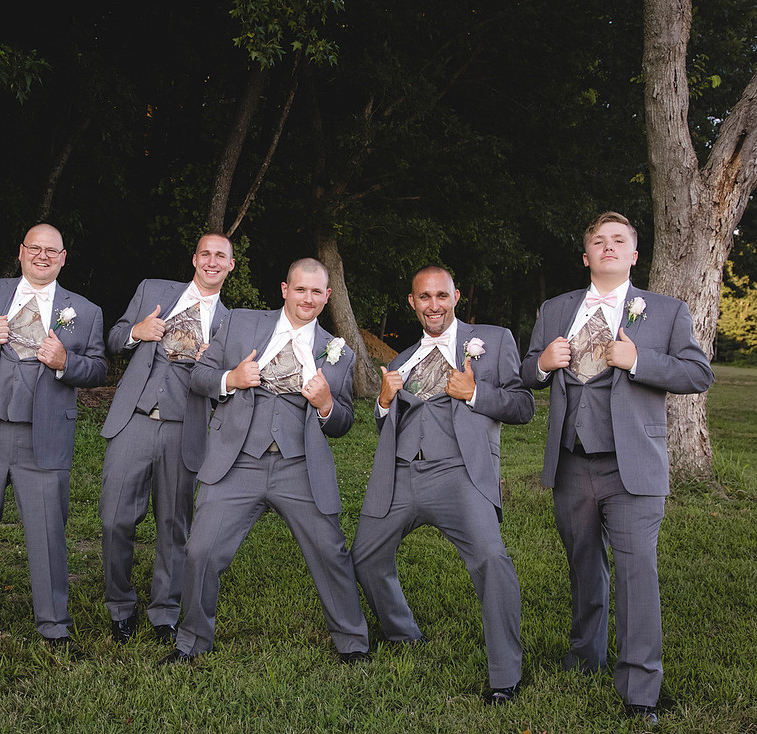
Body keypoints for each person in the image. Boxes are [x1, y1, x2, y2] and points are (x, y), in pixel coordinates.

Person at [520, 212, 713, 725]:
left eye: (619, 240)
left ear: (633, 254)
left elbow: (698, 373)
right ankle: (586, 656)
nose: (608, 246)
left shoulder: (666, 311)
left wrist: (638, 360)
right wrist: (542, 364)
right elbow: (527, 371)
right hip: (571, 462)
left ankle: (640, 689)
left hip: (633, 466)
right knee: (584, 565)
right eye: (599, 241)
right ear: (586, 256)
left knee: (635, 575)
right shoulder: (556, 309)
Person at [160, 257, 370, 664]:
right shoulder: (241, 322)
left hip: (299, 466)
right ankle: (191, 642)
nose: (307, 298)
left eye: (316, 291)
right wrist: (231, 379)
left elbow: (343, 421)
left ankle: (353, 643)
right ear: (285, 290)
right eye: (300, 289)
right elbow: (200, 376)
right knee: (201, 550)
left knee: (330, 552)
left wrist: (327, 404)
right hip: (237, 461)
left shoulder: (339, 352)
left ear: (327, 296)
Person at [351, 265, 533, 703]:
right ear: (412, 303)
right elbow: (386, 426)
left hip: (459, 473)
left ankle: (505, 676)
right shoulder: (400, 360)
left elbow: (523, 405)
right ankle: (403, 633)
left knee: (491, 559)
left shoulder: (494, 340)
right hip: (401, 474)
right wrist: (383, 402)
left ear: (456, 297)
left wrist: (475, 394)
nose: (433, 305)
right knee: (364, 556)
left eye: (441, 296)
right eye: (424, 297)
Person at [0, 223, 107, 654]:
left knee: (48, 536)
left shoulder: (85, 311)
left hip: (43, 438)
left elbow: (99, 369)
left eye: (52, 250)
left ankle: (54, 626)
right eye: (35, 248)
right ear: (21, 252)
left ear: (63, 259)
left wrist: (66, 362)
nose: (42, 256)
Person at [99, 233, 235, 643]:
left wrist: (215, 366)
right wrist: (137, 331)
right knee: (114, 519)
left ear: (231, 266)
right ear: (194, 259)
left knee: (174, 526)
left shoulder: (232, 323)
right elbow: (113, 339)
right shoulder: (153, 290)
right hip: (134, 419)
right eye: (205, 253)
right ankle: (120, 606)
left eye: (221, 256)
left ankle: (164, 612)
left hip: (183, 428)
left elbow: (228, 388)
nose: (212, 261)